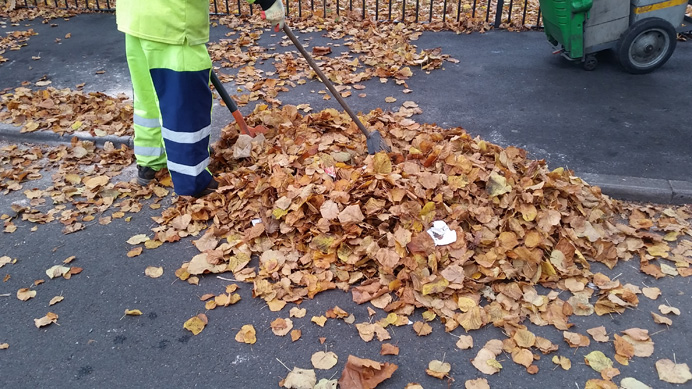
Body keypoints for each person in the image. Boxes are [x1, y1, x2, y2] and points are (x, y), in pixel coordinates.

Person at [115, 0, 285, 197]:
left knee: (148, 100)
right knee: (186, 106)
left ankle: (151, 163)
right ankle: (193, 180)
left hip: (136, 16)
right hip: (173, 21)